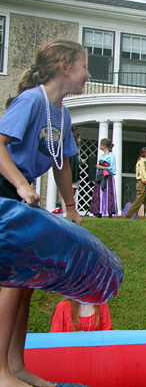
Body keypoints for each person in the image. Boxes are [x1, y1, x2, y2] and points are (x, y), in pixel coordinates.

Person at [0, 39, 87, 387]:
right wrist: (21, 184)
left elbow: (62, 162)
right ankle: (0, 372)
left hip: (21, 197)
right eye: (83, 66)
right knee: (9, 282)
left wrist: (70, 207)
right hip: (6, 191)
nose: (88, 74)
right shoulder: (31, 100)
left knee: (24, 284)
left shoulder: (61, 112)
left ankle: (16, 366)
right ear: (65, 68)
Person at [124, 147, 146, 220]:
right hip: (142, 183)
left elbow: (144, 172)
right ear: (145, 154)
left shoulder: (144, 161)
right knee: (138, 202)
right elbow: (143, 174)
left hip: (144, 182)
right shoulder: (142, 162)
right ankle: (127, 217)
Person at [90, 138, 117, 218]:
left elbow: (112, 168)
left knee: (108, 194)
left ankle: (109, 212)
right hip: (100, 177)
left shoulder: (111, 156)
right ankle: (99, 211)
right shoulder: (102, 156)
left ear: (104, 145)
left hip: (107, 177)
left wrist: (101, 167)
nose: (99, 146)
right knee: (99, 194)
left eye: (101, 144)